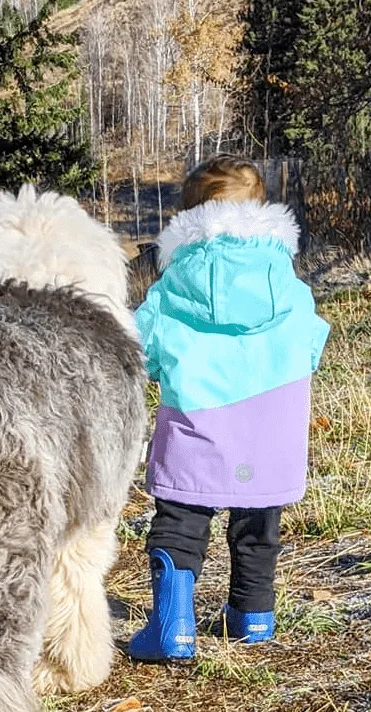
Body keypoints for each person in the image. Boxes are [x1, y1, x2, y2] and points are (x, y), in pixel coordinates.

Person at [127, 155, 330, 662]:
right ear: (262, 211)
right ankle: (253, 615)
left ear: (188, 218)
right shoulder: (287, 282)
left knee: (181, 516)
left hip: (197, 423)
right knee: (259, 523)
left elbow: (141, 348)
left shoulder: (173, 284)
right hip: (270, 426)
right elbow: (311, 341)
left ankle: (174, 628)